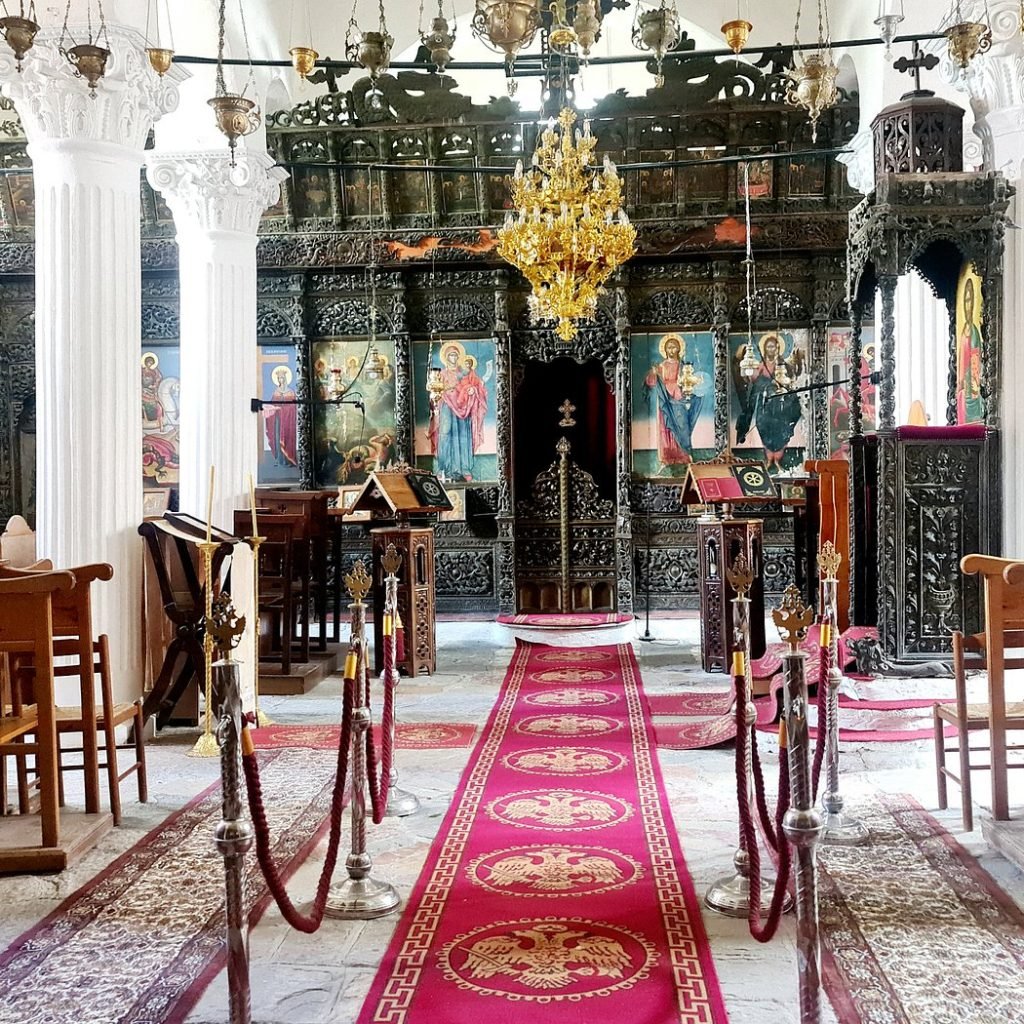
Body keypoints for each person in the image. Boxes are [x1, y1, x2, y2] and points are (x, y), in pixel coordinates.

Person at [733, 332, 804, 470]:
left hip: (780, 409)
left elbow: (792, 381)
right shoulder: (760, 365)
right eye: (769, 347)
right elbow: (752, 381)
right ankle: (768, 460)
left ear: (778, 348)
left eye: (774, 347)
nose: (772, 349)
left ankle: (777, 460)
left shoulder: (784, 365)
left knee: (781, 432)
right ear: (765, 349)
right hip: (764, 407)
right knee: (763, 427)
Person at [428, 342, 487, 481]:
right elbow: (434, 391)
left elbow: (477, 385)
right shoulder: (441, 374)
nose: (453, 358)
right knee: (445, 433)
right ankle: (444, 468)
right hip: (447, 406)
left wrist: (472, 389)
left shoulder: (465, 372)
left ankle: (464, 468)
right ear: (446, 357)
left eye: (455, 355)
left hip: (462, 407)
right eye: (451, 355)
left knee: (463, 436)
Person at [643, 334, 701, 467]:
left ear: (679, 348)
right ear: (665, 349)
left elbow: (689, 380)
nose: (671, 350)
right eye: (669, 347)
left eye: (674, 347)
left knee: (682, 425)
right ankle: (667, 458)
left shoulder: (682, 365)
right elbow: (651, 382)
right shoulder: (661, 366)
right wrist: (653, 373)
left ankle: (683, 455)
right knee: (665, 426)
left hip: (678, 396)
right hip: (664, 398)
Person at [958, 276, 984, 423]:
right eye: (965, 301)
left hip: (972, 386)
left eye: (970, 301)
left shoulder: (974, 332)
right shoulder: (963, 332)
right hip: (963, 385)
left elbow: (975, 360)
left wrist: (970, 385)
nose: (968, 306)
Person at [263, 365, 298, 468]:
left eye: (282, 378)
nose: (280, 380)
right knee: (278, 437)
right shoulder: (276, 391)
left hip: (287, 420)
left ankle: (288, 460)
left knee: (287, 437)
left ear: (285, 379)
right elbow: (273, 404)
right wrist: (270, 407)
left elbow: (293, 407)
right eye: (279, 378)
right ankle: (280, 459)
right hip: (278, 420)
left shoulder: (291, 392)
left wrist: (282, 409)